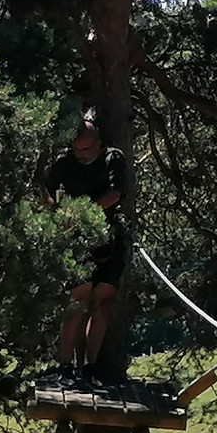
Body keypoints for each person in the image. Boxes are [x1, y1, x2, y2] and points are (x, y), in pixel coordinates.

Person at [44, 120, 130, 385]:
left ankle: (91, 367)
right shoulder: (64, 163)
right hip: (76, 239)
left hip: (108, 237)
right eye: (77, 150)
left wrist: (85, 213)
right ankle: (66, 365)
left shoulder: (113, 158)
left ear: (98, 144)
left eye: (86, 150)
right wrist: (57, 212)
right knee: (77, 301)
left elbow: (115, 194)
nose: (81, 155)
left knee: (102, 303)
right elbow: (46, 189)